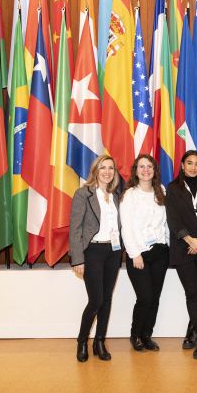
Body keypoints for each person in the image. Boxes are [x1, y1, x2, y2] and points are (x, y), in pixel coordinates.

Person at [69, 155, 122, 362]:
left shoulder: (115, 195)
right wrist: (77, 259)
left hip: (113, 251)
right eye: (103, 168)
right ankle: (82, 341)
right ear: (95, 171)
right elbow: (75, 228)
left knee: (107, 299)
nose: (107, 172)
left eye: (111, 168)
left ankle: (99, 341)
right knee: (96, 300)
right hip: (92, 252)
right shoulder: (83, 194)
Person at [166, 150, 197, 359]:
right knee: (192, 291)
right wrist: (190, 240)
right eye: (189, 163)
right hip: (183, 247)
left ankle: (191, 331)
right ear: (182, 165)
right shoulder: (173, 188)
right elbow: (173, 219)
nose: (193, 167)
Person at [120, 154, 170, 352]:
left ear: (154, 170)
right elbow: (126, 228)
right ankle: (135, 335)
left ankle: (147, 335)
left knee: (155, 297)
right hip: (139, 253)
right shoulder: (129, 195)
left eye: (149, 166)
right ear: (136, 170)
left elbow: (166, 222)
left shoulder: (161, 191)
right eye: (142, 166)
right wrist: (135, 254)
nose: (146, 170)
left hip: (160, 252)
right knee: (145, 297)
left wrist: (167, 245)